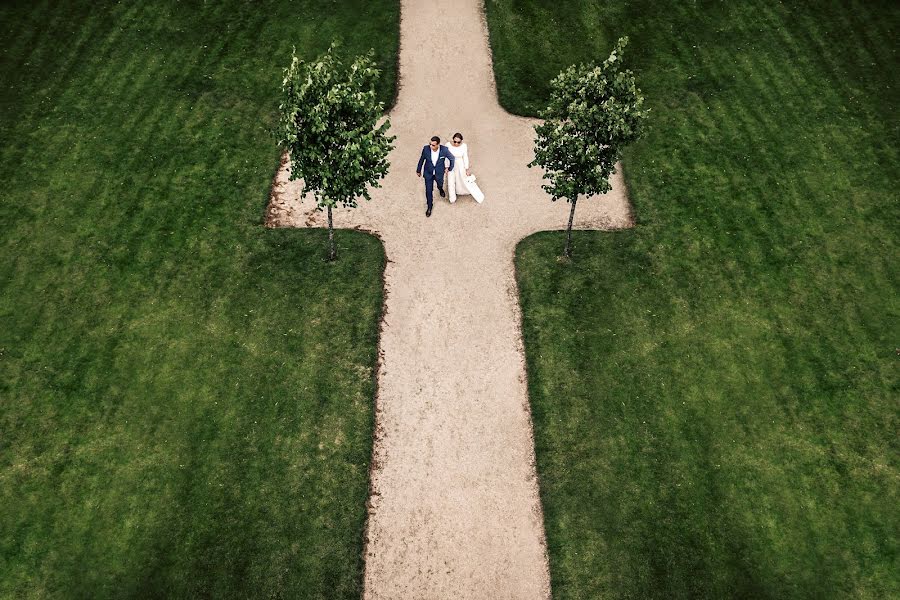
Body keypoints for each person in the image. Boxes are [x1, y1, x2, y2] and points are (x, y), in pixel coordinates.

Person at [416, 136, 455, 217]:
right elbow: (421, 159)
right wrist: (418, 170)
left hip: (439, 173)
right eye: (430, 144)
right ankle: (429, 207)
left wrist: (450, 168)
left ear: (438, 144)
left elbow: (452, 158)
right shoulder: (426, 149)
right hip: (428, 173)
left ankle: (440, 189)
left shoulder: (444, 150)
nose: (431, 146)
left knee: (440, 184)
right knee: (428, 190)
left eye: (433, 145)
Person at [445, 132, 484, 204]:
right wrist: (446, 167)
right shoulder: (447, 145)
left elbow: (465, 157)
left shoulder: (464, 146)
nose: (456, 144)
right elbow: (446, 157)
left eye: (458, 142)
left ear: (461, 141)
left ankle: (461, 190)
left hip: (460, 164)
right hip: (451, 164)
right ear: (452, 140)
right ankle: (452, 198)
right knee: (451, 181)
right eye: (455, 141)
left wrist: (467, 169)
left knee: (462, 179)